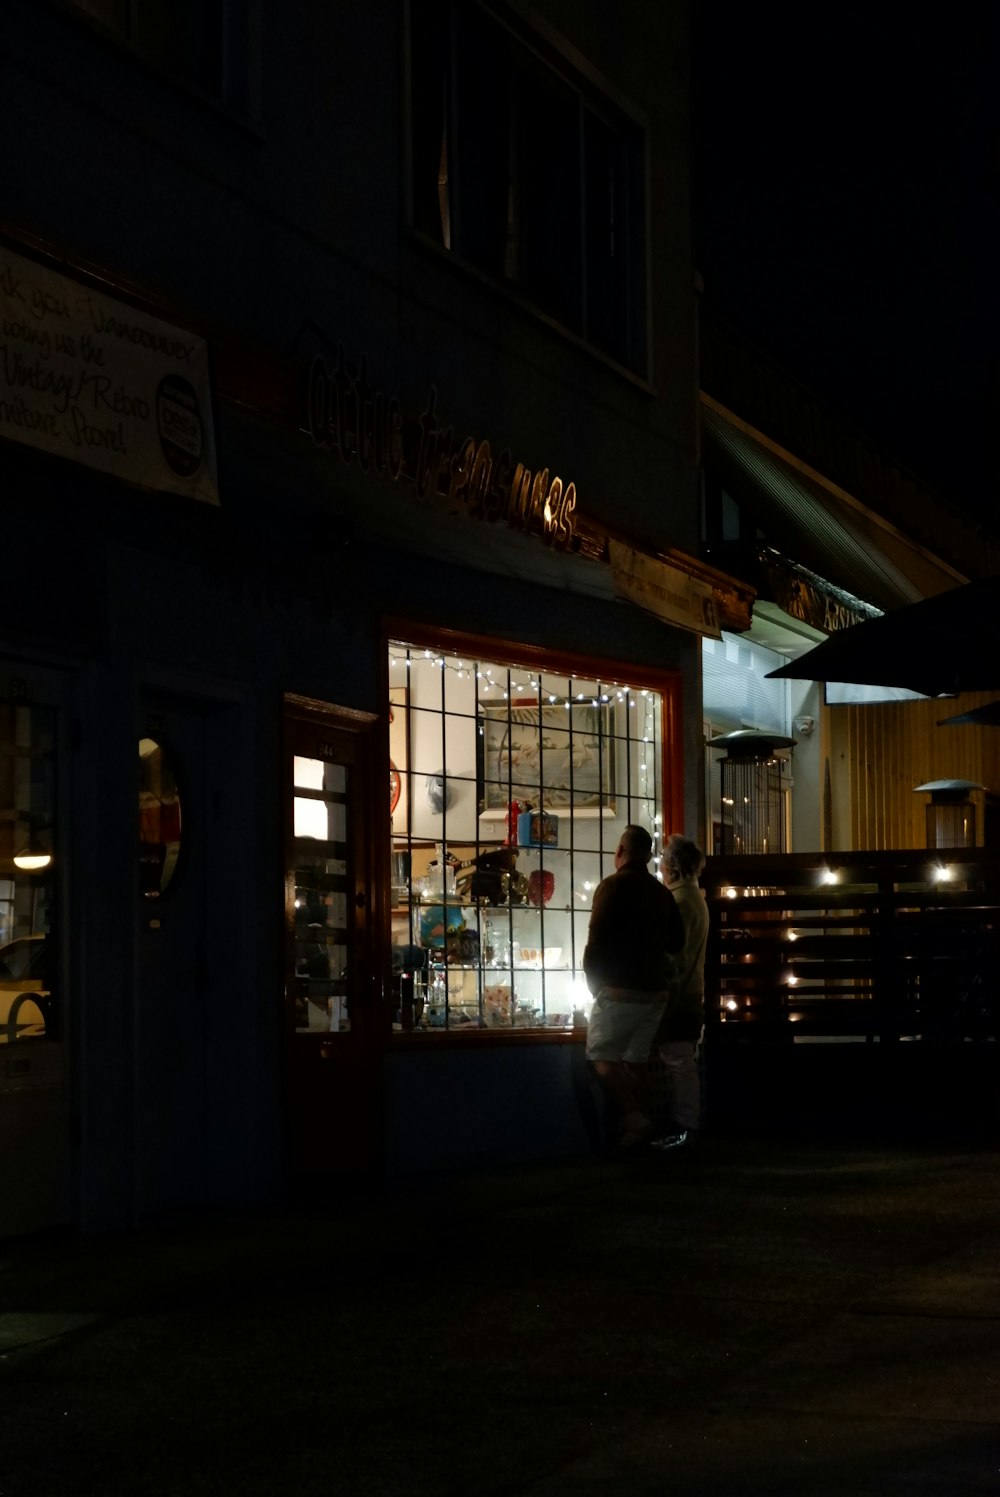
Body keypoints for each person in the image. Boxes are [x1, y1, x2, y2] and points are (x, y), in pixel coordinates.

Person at [583, 824, 685, 1150]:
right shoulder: (662, 893)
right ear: (649, 856)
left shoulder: (611, 888)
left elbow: (595, 942)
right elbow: (677, 942)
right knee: (636, 1059)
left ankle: (634, 1119)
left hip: (619, 989)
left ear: (620, 853)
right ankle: (639, 1132)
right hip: (655, 992)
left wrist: (594, 985)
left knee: (600, 1055)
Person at [650, 834, 709, 1152]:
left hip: (679, 999)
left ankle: (684, 1126)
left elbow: (676, 956)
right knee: (681, 1061)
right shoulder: (692, 898)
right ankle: (685, 1125)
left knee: (677, 1062)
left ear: (671, 866)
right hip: (689, 996)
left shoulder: (680, 902)